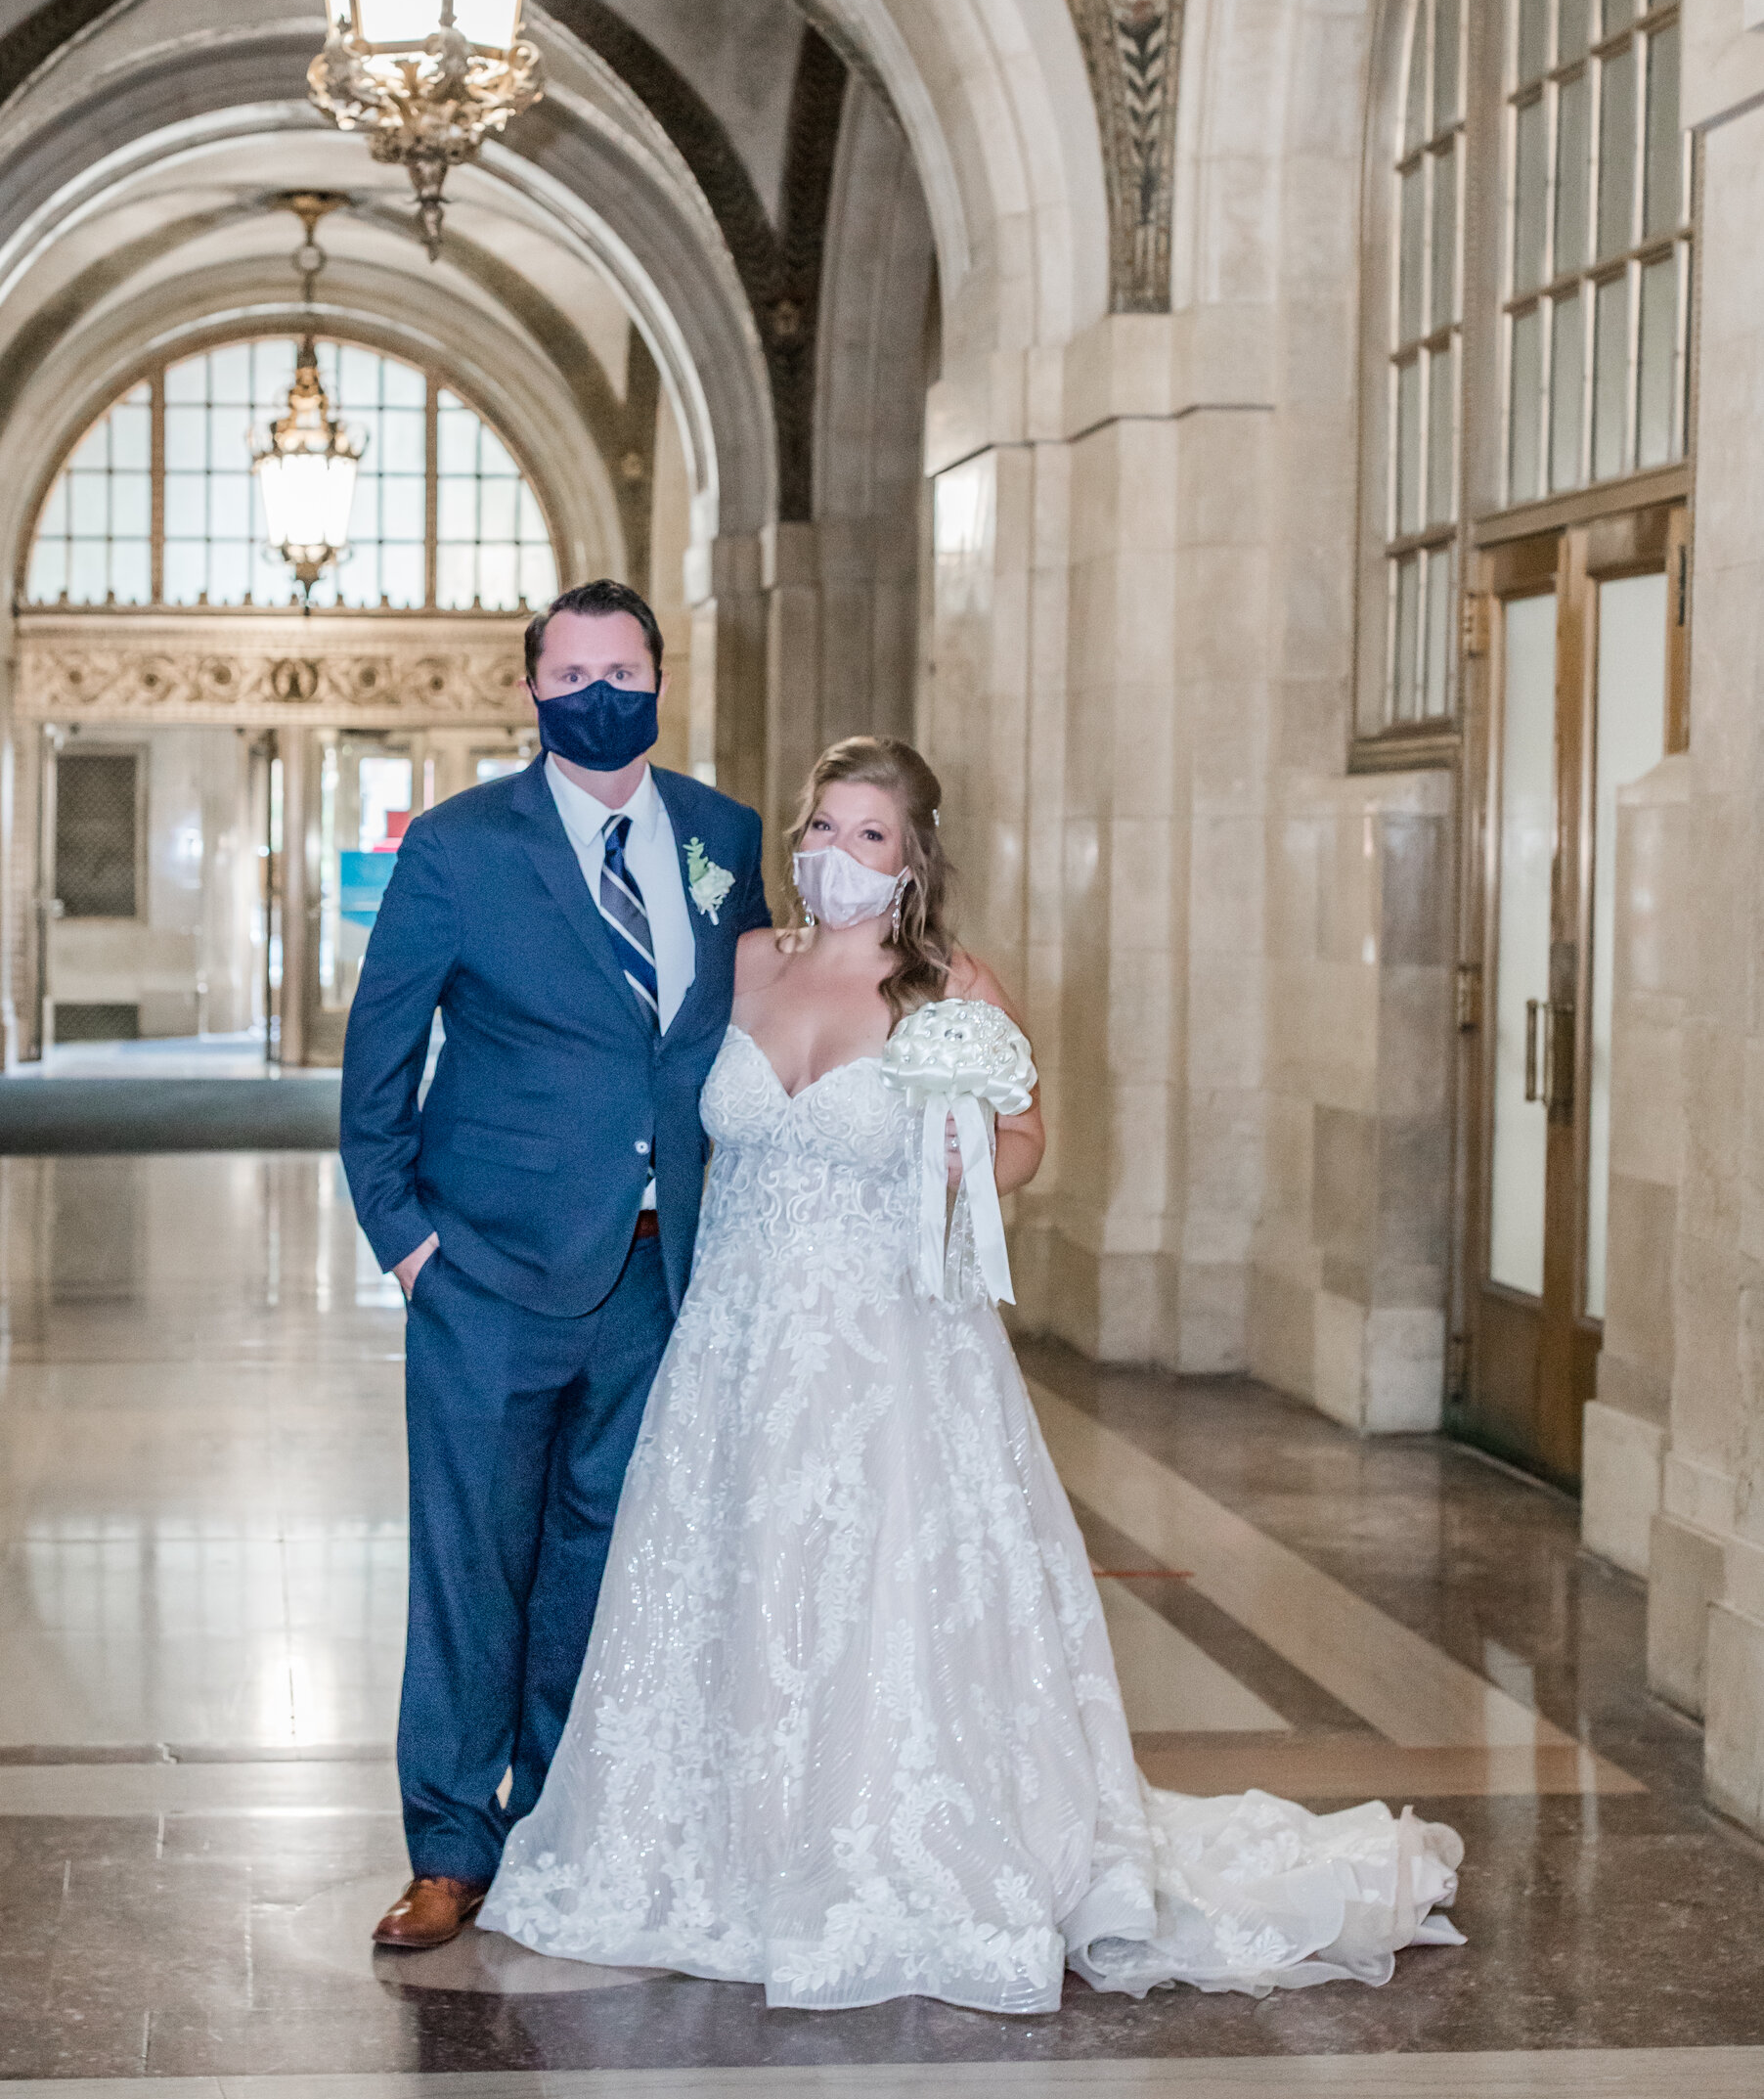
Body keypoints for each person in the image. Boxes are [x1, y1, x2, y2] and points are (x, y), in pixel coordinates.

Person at [481, 735, 1464, 2011]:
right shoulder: (741, 967)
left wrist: (940, 1178)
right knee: (737, 1580)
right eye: (823, 826)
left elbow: (1023, 1137)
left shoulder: (947, 989)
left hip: (888, 1348)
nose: (835, 853)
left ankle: (872, 1839)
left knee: (877, 1587)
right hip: (732, 1343)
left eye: (868, 835)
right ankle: (729, 1836)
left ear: (913, 862)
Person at [339, 579, 771, 1951]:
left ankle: (559, 1827)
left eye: (624, 665)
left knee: (603, 1563)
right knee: (473, 1562)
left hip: (657, 1276)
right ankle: (451, 1845)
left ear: (660, 675)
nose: (601, 688)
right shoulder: (460, 846)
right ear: (530, 689)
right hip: (486, 1275)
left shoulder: (720, 835)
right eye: (573, 668)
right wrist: (409, 1244)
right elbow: (377, 1061)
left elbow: (742, 1032)